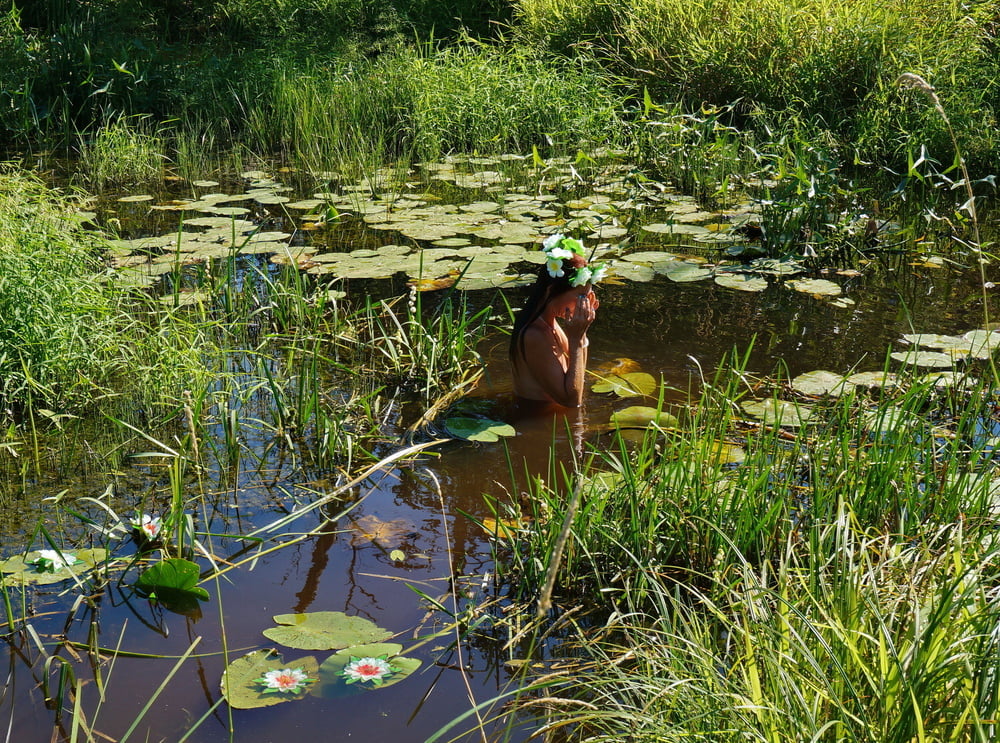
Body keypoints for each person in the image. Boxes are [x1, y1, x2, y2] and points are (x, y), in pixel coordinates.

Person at [509, 234, 606, 408]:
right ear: (551, 291)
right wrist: (576, 339)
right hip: (537, 419)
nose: (583, 303)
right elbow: (571, 401)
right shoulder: (535, 335)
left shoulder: (549, 322)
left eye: (587, 296)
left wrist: (581, 333)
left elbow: (577, 373)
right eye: (580, 296)